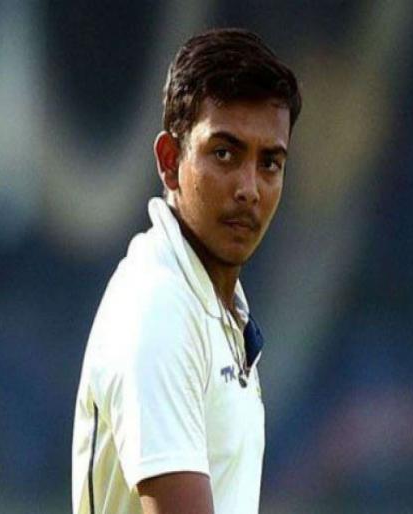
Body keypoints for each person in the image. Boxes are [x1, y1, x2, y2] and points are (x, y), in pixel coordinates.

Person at [71, 28, 302, 514]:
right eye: (225, 153)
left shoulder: (212, 303)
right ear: (170, 160)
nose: (249, 188)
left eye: (269, 163)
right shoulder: (159, 309)